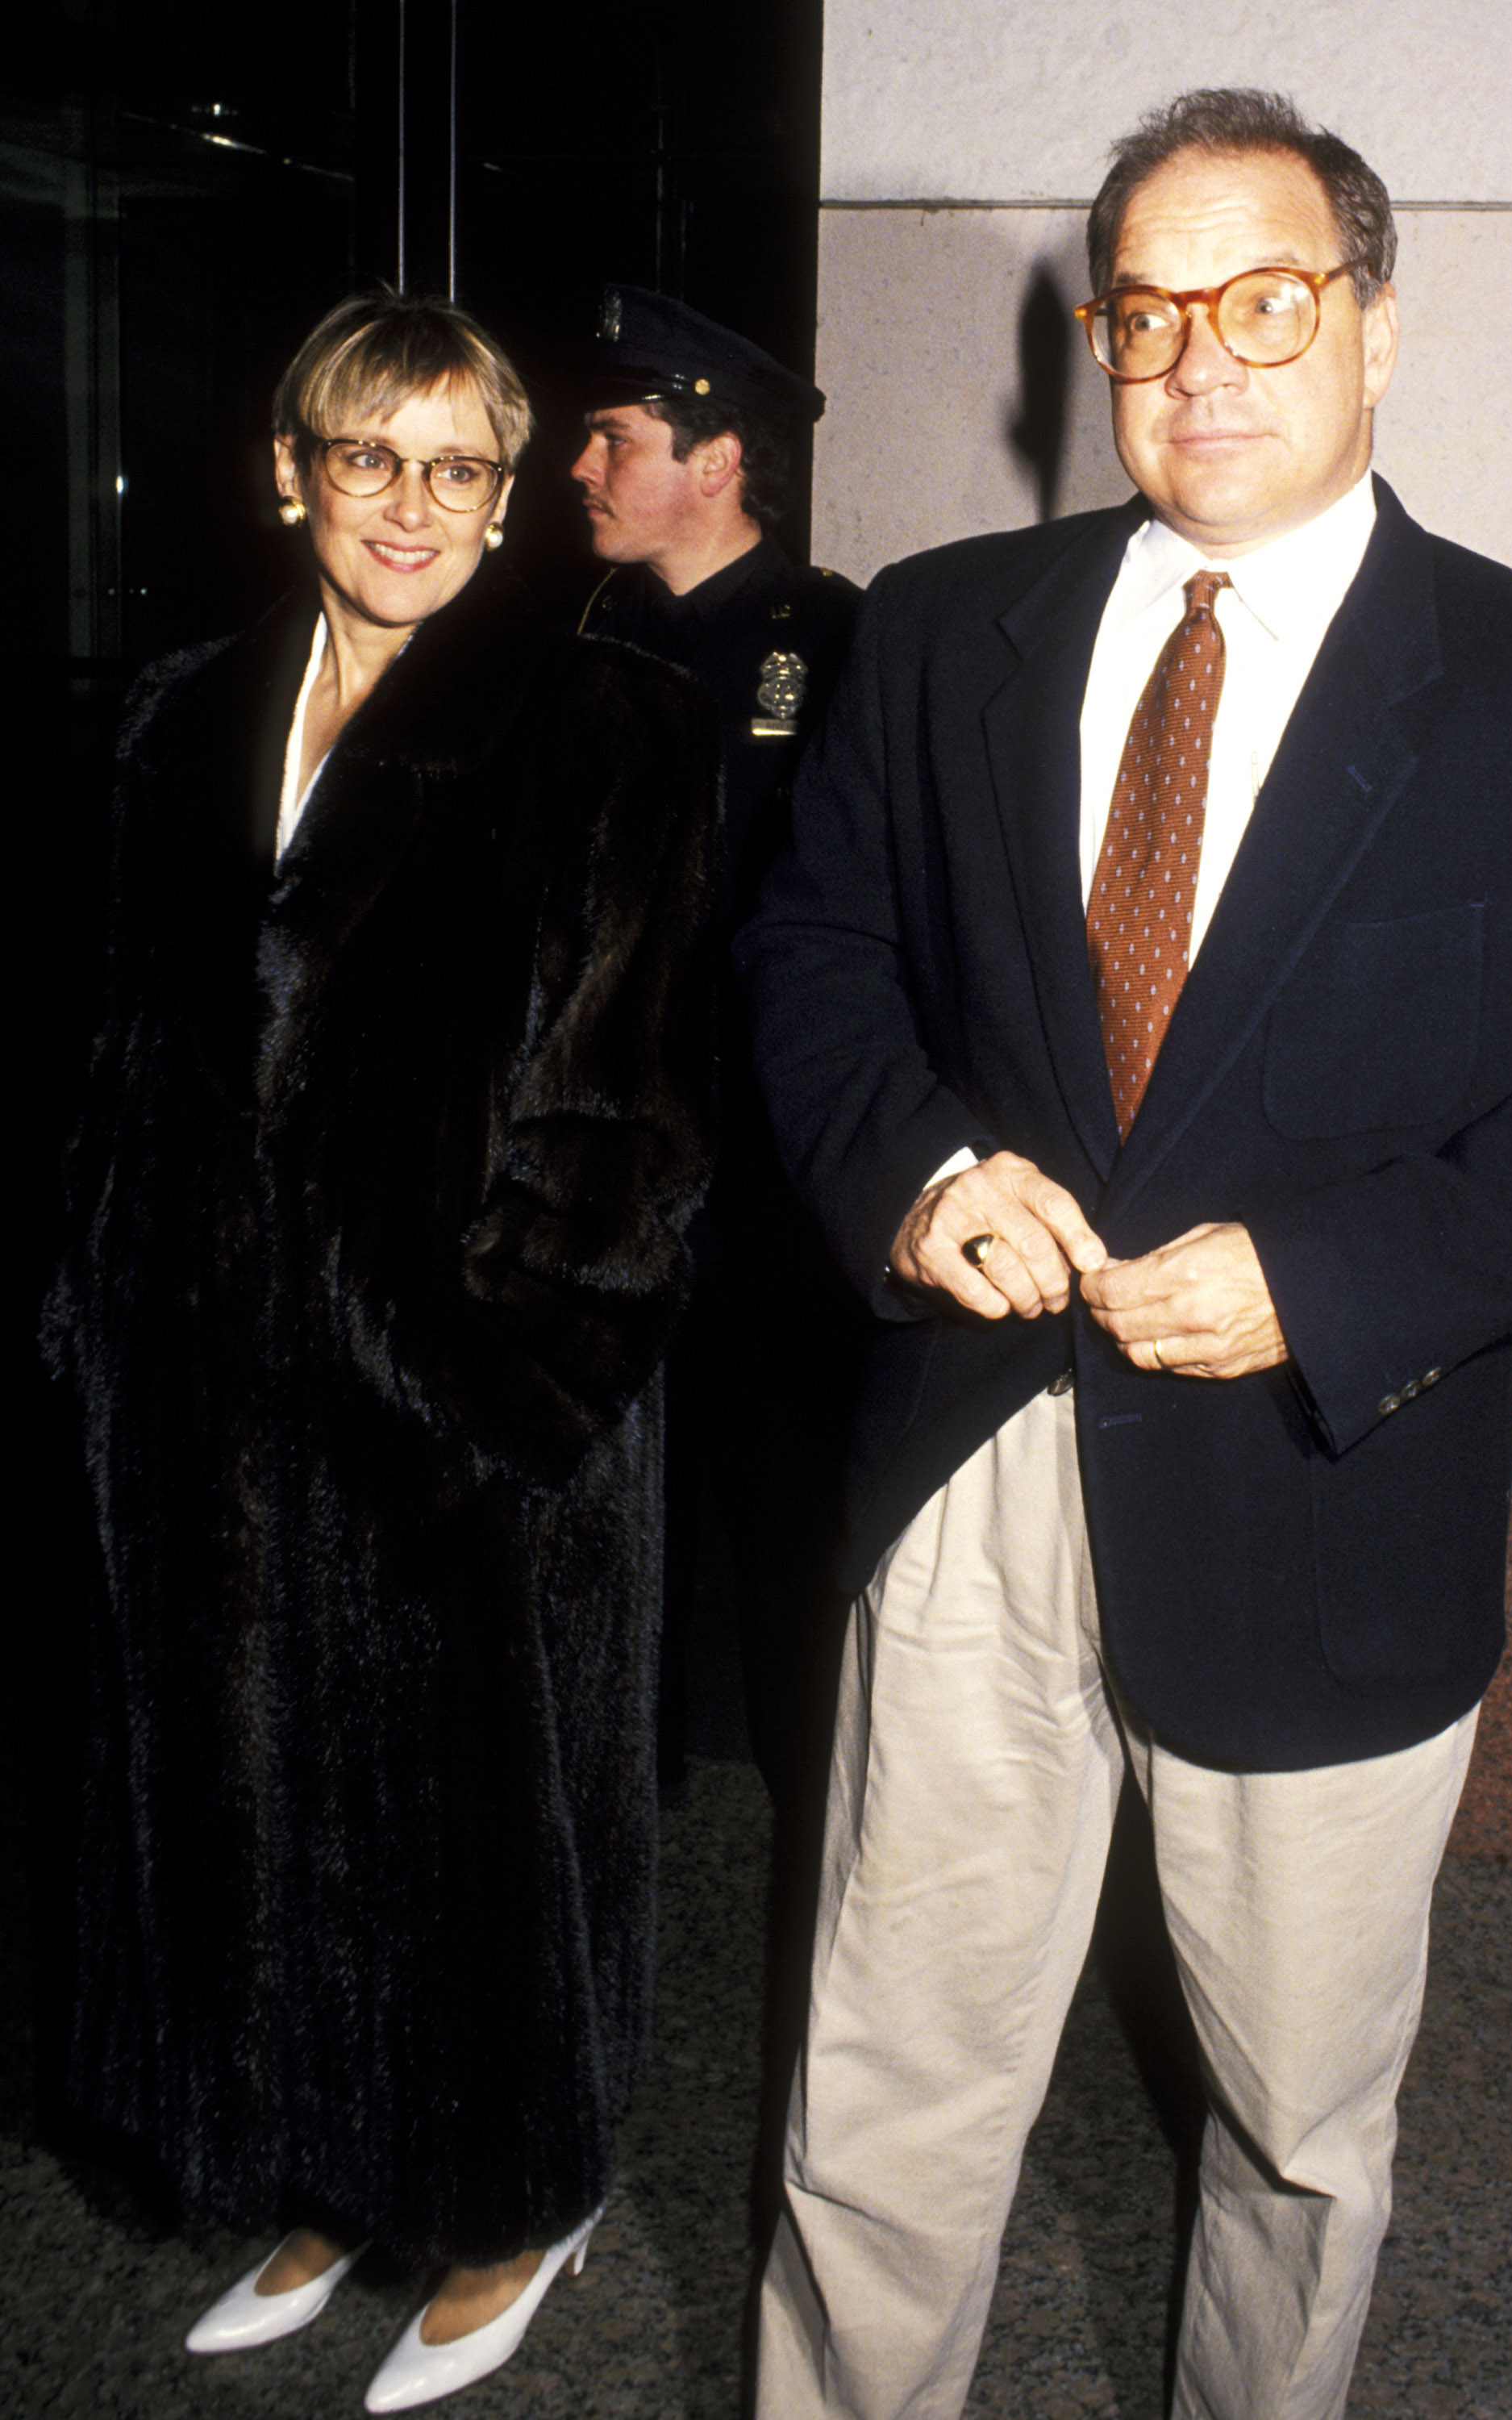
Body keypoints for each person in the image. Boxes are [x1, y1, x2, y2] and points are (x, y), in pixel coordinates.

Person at [738, 87, 1512, 2420]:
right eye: (1147, 312)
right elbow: (811, 951)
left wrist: (1328, 1274)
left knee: (1297, 2141)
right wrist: (918, 1172)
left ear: (1376, 325)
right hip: (979, 1468)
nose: (1200, 358)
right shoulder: (936, 634)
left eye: (1266, 301)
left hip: (1327, 1495)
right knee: (883, 2089)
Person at [43, 290, 719, 2411]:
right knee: (251, 1817)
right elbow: (101, 1059)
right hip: (200, 1402)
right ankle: (329, 2169)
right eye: (370, 458)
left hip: (462, 1414)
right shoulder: (172, 718)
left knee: (482, 1838)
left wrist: (493, 1380)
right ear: (290, 471)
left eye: (461, 471)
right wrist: (91, 1313)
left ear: (512, 502)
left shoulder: (612, 732)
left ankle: (515, 2190)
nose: (411, 507)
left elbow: (637, 1116)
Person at [569, 287, 862, 1798]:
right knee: (623, 1485)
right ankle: (636, 1772)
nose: (582, 466)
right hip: (609, 1151)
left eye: (616, 438)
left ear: (718, 457)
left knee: (783, 1494)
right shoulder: (580, 637)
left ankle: (816, 1801)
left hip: (764, 1174)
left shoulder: (837, 645)